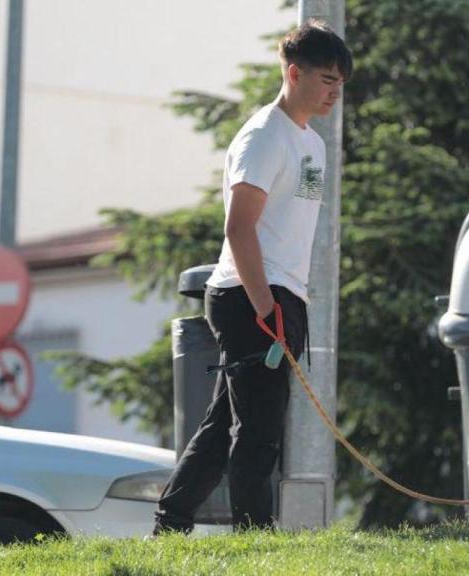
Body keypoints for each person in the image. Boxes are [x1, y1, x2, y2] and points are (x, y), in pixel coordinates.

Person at [152, 20, 352, 534]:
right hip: (249, 295)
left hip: (281, 296)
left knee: (224, 427)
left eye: (340, 82)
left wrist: (285, 304)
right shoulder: (265, 137)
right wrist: (268, 309)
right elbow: (239, 228)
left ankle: (169, 522)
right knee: (258, 430)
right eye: (326, 79)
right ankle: (254, 539)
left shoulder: (313, 144)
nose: (335, 91)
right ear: (293, 73)